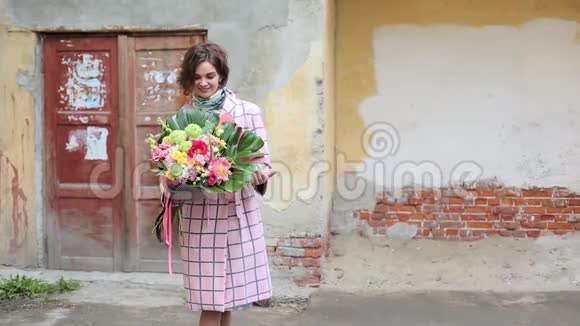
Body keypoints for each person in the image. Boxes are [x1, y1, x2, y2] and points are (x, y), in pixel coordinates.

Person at [161, 42, 277, 326]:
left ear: (221, 76)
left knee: (226, 301)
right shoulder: (179, 120)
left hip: (239, 215)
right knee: (210, 301)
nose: (204, 83)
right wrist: (175, 178)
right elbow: (170, 170)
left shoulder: (247, 111)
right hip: (201, 217)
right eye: (197, 77)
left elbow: (263, 161)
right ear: (190, 79)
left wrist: (259, 173)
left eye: (210, 76)